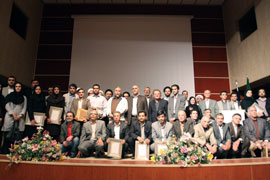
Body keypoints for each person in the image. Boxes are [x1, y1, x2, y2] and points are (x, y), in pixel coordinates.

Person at [1, 82, 27, 154]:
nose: (18, 88)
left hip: (20, 118)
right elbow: (7, 105)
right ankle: (5, 152)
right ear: (14, 88)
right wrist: (13, 114)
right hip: (10, 117)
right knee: (7, 136)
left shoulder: (24, 97)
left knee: (18, 137)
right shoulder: (10, 96)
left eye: (19, 86)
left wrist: (20, 115)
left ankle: (16, 153)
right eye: (16, 86)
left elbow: (24, 108)